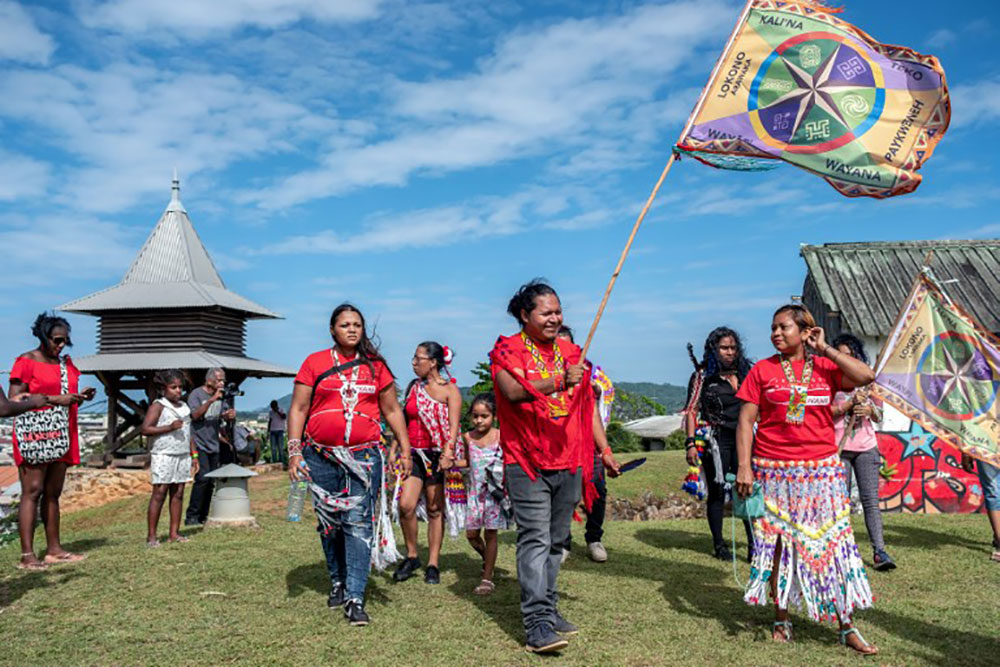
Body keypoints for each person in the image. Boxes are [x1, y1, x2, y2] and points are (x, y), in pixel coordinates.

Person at [735, 304, 879, 655]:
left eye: (783, 327)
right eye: (773, 328)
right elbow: (745, 420)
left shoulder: (827, 366)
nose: (776, 334)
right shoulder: (762, 370)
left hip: (821, 473)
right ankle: (782, 618)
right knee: (780, 549)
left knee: (832, 547)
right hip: (774, 471)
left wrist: (825, 348)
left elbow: (865, 376)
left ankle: (846, 625)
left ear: (805, 331)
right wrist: (744, 466)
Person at [287, 303, 412, 626]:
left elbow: (393, 410)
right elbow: (299, 409)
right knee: (330, 524)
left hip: (364, 456)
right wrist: (294, 452)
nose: (352, 329)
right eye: (345, 325)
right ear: (333, 329)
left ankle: (355, 597)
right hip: (320, 455)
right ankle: (338, 581)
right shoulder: (314, 363)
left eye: (357, 324)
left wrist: (406, 448)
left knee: (358, 524)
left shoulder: (376, 367)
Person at [490, 280, 594, 654]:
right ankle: (536, 625)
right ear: (525, 314)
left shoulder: (572, 351)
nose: (555, 318)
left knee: (556, 541)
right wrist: (559, 380)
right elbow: (512, 391)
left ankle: (549, 611)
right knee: (534, 539)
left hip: (568, 459)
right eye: (546, 313)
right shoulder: (507, 349)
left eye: (558, 312)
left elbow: (587, 402)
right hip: (526, 461)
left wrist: (602, 448)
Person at [9, 313, 96, 570]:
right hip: (36, 433)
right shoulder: (26, 361)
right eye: (57, 340)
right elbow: (15, 399)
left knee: (53, 493)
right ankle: (27, 555)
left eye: (65, 341)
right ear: (43, 337)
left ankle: (54, 550)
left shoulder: (65, 364)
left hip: (62, 432)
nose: (61, 345)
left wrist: (79, 397)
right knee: (32, 490)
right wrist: (56, 400)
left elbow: (65, 394)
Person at [393, 341, 461, 585]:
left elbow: (453, 428)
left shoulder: (450, 391)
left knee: (434, 509)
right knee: (406, 506)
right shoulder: (413, 388)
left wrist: (448, 452)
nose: (413, 363)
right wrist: (395, 449)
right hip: (413, 455)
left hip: (436, 456)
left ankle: (433, 562)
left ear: (432, 362)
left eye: (418, 358)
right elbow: (402, 419)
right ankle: (412, 555)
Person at [683, 327, 754, 561]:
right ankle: (719, 545)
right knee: (717, 492)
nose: (729, 352)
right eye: (724, 348)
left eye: (733, 348)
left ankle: (754, 544)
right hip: (715, 440)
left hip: (745, 439)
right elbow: (692, 410)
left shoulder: (747, 372)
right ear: (714, 349)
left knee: (747, 490)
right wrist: (690, 443)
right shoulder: (702, 376)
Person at [830, 333, 896, 571]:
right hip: (839, 448)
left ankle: (880, 552)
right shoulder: (830, 379)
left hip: (866, 448)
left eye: (850, 355)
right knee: (840, 502)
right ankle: (841, 551)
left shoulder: (868, 381)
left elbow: (880, 415)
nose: (845, 359)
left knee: (870, 501)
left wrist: (868, 409)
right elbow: (824, 413)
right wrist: (846, 406)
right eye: (841, 355)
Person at [556, 325, 619, 563]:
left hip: (589, 442)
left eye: (567, 344)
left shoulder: (590, 370)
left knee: (597, 490)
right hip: (560, 442)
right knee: (562, 493)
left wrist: (593, 388)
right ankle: (562, 541)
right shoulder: (546, 371)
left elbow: (603, 393)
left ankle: (594, 538)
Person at [457, 392, 509, 595]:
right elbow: (468, 463)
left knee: (490, 533)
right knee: (471, 535)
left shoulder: (500, 436)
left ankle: (487, 578)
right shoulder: (468, 437)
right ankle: (488, 560)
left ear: (494, 416)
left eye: (484, 416)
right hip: (474, 494)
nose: (479, 420)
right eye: (475, 416)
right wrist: (451, 463)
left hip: (493, 494)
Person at [141, 369, 197, 546]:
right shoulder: (158, 406)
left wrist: (193, 454)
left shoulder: (185, 407)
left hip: (182, 455)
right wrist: (169, 427)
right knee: (160, 493)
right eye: (173, 387)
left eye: (180, 387)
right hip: (164, 454)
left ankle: (174, 533)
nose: (178, 391)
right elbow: (146, 429)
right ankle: (152, 536)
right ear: (164, 388)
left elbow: (189, 433)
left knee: (178, 493)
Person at [184, 368, 235, 526]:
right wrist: (212, 399)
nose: (222, 383)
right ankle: (192, 516)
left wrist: (228, 416)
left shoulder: (222, 397)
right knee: (202, 478)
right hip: (199, 442)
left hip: (214, 443)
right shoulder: (196, 395)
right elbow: (195, 415)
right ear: (209, 380)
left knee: (211, 480)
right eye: (219, 380)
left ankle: (203, 516)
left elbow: (221, 418)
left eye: (223, 381)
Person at [961, 453, 1000, 563]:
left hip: (986, 446)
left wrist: (966, 453)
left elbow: (971, 436)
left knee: (993, 491)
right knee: (993, 492)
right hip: (987, 447)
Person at [268, 400, 287, 469]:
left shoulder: (282, 410)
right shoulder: (271, 412)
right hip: (272, 431)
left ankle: (281, 462)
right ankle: (274, 462)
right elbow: (270, 421)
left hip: (280, 430)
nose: (272, 409)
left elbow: (284, 417)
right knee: (273, 448)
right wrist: (268, 431)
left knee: (280, 448)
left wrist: (278, 412)